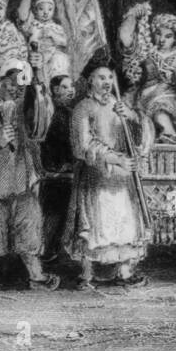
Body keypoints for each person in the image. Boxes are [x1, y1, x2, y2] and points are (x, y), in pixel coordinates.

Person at [0, 68, 58, 291]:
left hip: (20, 180)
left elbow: (41, 122)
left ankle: (36, 275)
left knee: (28, 227)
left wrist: (39, 79)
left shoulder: (17, 108)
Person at [67, 64, 155, 290]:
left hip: (123, 178)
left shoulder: (120, 107)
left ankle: (125, 272)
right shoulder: (83, 108)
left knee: (125, 224)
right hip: (97, 175)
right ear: (90, 82)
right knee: (96, 225)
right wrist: (115, 159)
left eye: (109, 77)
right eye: (100, 78)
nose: (106, 82)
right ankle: (86, 274)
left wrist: (134, 117)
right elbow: (82, 146)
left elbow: (138, 139)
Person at [22, 52, 77, 264]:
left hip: (68, 173)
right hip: (53, 173)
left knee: (63, 215)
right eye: (64, 87)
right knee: (50, 215)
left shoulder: (71, 113)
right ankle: (42, 252)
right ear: (54, 90)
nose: (70, 90)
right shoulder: (48, 110)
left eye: (71, 87)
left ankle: (53, 252)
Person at [120, 7, 176, 144]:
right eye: (158, 34)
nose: (162, 40)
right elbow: (126, 40)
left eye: (168, 36)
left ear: (175, 38)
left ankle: (169, 132)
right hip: (147, 94)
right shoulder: (147, 52)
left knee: (161, 104)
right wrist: (132, 16)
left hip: (175, 96)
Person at [16, 0, 70, 86]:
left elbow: (64, 42)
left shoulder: (55, 27)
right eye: (41, 9)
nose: (45, 12)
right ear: (35, 10)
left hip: (51, 57)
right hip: (34, 57)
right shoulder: (33, 24)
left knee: (60, 59)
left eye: (49, 9)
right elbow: (22, 15)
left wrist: (53, 35)